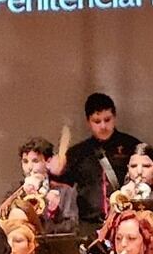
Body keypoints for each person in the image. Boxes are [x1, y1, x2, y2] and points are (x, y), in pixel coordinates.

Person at [50, 91, 141, 228]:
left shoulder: (132, 146)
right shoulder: (77, 153)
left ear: (114, 117)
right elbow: (58, 188)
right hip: (89, 224)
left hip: (125, 221)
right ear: (88, 122)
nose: (103, 126)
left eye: (107, 120)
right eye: (97, 121)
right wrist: (55, 172)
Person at [0, 138, 78, 235]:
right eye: (25, 161)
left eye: (35, 161)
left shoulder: (64, 191)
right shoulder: (15, 191)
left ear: (48, 162)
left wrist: (55, 211)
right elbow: (2, 220)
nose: (30, 167)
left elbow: (71, 226)